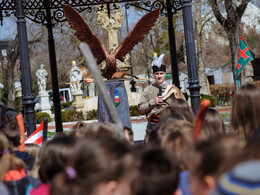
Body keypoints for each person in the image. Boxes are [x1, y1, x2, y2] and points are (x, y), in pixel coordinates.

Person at [138, 54, 185, 142]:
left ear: (165, 74)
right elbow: (141, 108)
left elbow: (184, 107)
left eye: (161, 73)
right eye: (157, 74)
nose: (159, 76)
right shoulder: (148, 90)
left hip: (170, 127)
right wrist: (153, 102)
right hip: (152, 128)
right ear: (153, 74)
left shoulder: (173, 90)